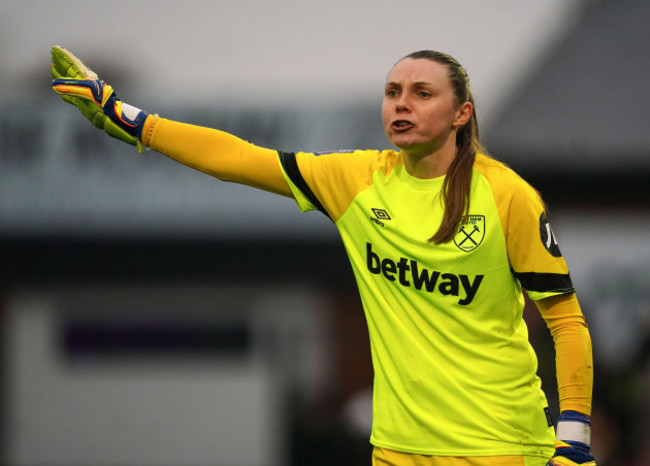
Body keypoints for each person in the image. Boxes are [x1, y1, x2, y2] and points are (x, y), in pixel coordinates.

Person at [51, 46, 596, 466]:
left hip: (501, 445)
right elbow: (240, 157)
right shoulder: (355, 179)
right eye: (392, 91)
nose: (401, 103)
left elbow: (565, 321)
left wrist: (573, 437)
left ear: (462, 113)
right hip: (399, 448)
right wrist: (129, 118)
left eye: (422, 93)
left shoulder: (507, 196)